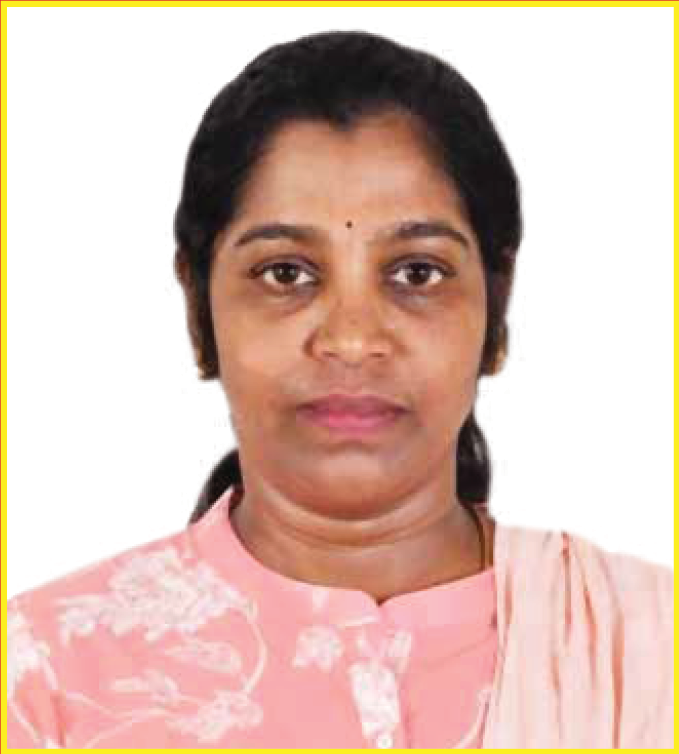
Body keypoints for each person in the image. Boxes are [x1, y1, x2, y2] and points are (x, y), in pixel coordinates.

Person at [6, 30, 672, 749]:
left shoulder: (648, 650)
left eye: (416, 273)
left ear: (495, 306)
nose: (352, 340)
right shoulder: (41, 680)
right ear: (200, 309)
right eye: (286, 273)